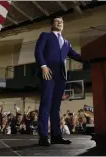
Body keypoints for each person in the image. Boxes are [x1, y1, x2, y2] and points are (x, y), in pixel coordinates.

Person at [34, 16, 83, 146]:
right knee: (46, 105)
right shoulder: (45, 35)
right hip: (48, 73)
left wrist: (91, 57)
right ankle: (43, 136)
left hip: (61, 76)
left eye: (61, 21)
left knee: (56, 108)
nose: (60, 23)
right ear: (52, 24)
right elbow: (38, 51)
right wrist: (43, 66)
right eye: (57, 21)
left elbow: (75, 55)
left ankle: (56, 135)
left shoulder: (66, 42)